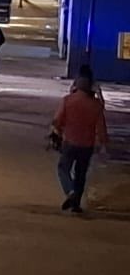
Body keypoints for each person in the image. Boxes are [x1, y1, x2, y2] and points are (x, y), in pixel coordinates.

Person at [52, 66, 109, 213]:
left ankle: (70, 191)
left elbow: (57, 121)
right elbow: (101, 128)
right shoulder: (96, 105)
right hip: (87, 145)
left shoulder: (68, 100)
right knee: (81, 174)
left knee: (63, 168)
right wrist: (102, 144)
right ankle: (76, 203)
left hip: (70, 142)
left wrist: (57, 134)